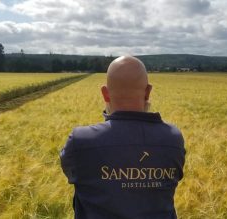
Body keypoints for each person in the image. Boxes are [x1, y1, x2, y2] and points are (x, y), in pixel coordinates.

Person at [60, 56, 186, 219]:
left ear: (105, 94)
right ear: (148, 92)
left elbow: (72, 171)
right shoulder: (173, 139)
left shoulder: (80, 141)